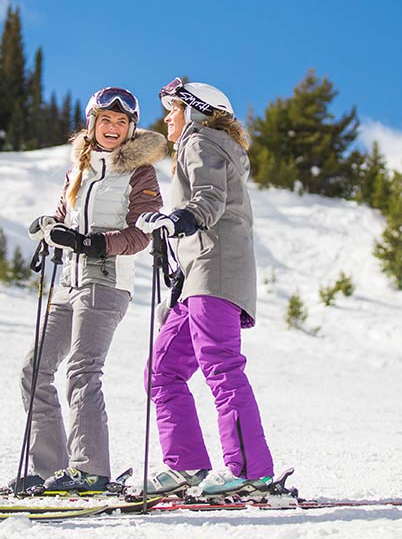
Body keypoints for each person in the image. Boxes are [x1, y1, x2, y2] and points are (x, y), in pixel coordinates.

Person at [12, 86, 168, 494]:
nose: (113, 127)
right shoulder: (78, 168)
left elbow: (141, 233)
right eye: (106, 120)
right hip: (68, 282)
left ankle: (91, 471)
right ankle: (50, 470)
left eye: (121, 122)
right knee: (35, 370)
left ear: (131, 128)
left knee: (83, 370)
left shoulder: (139, 171)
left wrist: (94, 243)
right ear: (92, 124)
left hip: (106, 282)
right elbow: (65, 214)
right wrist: (50, 226)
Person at [134, 77, 275, 497]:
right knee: (162, 372)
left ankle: (249, 469)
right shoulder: (204, 145)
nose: (167, 119)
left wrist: (180, 218)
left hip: (216, 272)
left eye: (173, 110)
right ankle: (188, 466)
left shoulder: (201, 141)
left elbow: (209, 199)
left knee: (221, 365)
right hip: (196, 276)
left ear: (195, 111)